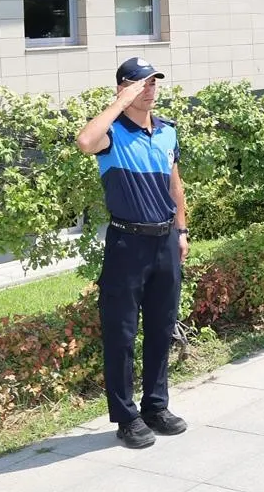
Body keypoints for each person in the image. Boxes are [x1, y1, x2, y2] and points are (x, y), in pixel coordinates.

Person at [74, 58, 190, 448]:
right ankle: (126, 417)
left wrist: (182, 231)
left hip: (164, 243)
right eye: (140, 84)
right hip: (127, 244)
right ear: (123, 88)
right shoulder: (112, 134)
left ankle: (156, 406)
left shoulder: (167, 132)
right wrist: (118, 104)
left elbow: (176, 187)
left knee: (161, 327)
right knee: (121, 334)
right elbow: (85, 142)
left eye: (153, 83)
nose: (149, 90)